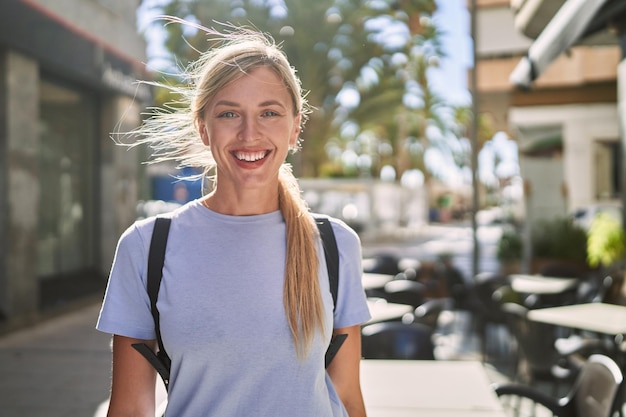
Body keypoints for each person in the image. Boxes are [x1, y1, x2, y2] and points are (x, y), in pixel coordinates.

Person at [96, 21, 371, 417]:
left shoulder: (335, 245)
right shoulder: (147, 247)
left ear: (295, 128)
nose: (249, 133)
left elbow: (346, 397)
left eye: (269, 113)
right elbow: (131, 409)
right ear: (204, 129)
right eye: (229, 114)